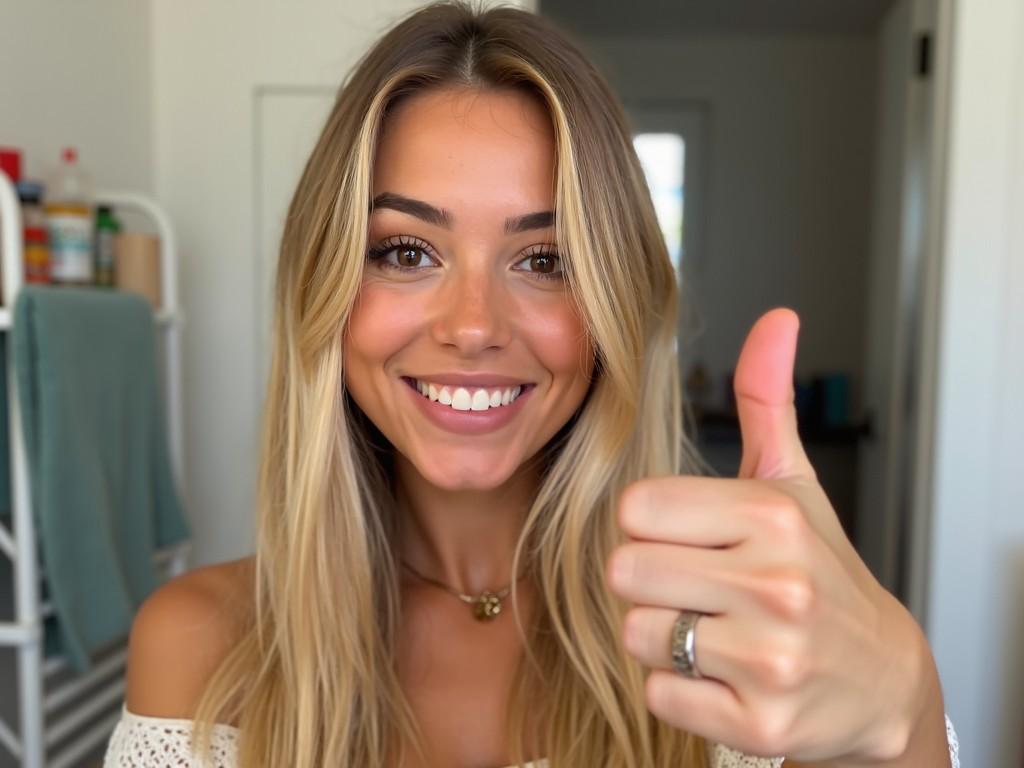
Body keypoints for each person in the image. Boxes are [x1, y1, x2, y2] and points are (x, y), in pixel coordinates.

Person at [104, 2, 961, 767]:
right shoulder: (200, 648)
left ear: (611, 310)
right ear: (322, 282)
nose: (474, 325)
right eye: (406, 252)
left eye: (545, 260)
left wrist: (908, 705)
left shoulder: (743, 645)